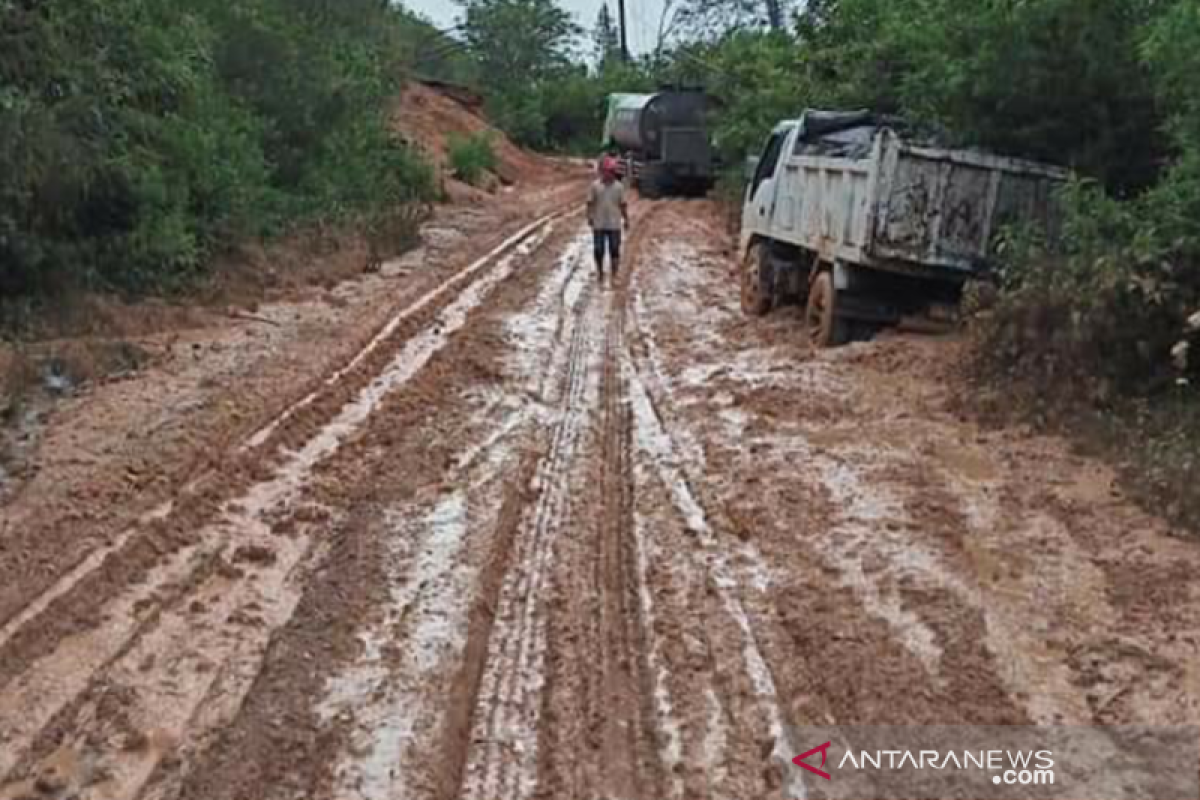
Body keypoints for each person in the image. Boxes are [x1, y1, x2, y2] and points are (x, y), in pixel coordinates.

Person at [587, 156, 628, 283]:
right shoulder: (595, 186)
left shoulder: (619, 187)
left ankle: (614, 274)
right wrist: (589, 216)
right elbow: (590, 202)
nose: (609, 173)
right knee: (598, 250)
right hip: (599, 223)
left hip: (614, 224)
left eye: (611, 171)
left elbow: (623, 204)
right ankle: (600, 271)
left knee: (614, 249)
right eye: (606, 171)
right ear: (602, 171)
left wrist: (626, 219)